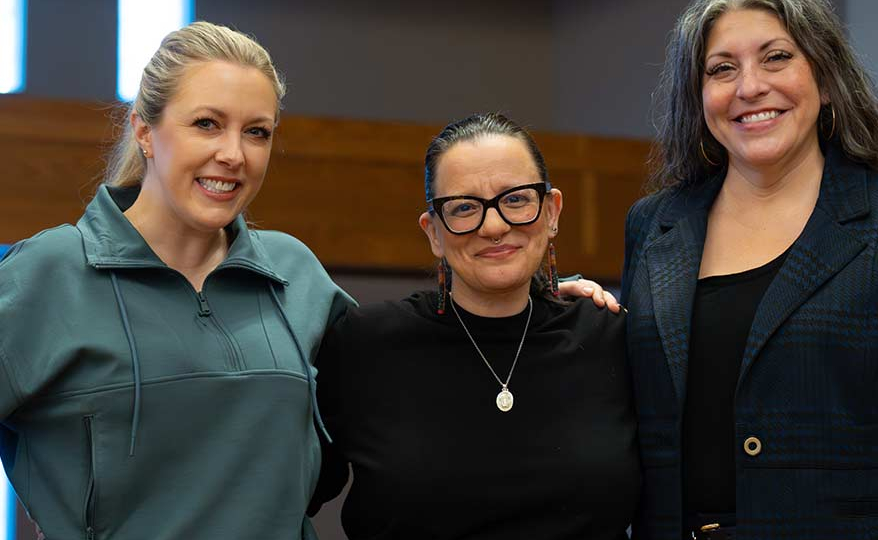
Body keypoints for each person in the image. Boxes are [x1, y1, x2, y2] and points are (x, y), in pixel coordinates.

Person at [619, 1, 878, 539]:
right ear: (698, 96)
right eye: (722, 68)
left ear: (825, 79)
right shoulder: (652, 225)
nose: (750, 87)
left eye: (776, 57)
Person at [0, 22, 351, 539]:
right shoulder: (49, 273)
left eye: (257, 132)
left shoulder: (296, 273)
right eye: (207, 124)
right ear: (145, 131)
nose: (233, 154)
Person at [312, 113, 640, 539]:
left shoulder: (610, 338)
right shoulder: (365, 345)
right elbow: (283, 494)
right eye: (464, 208)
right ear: (434, 232)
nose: (494, 226)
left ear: (551, 211)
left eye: (516, 199)